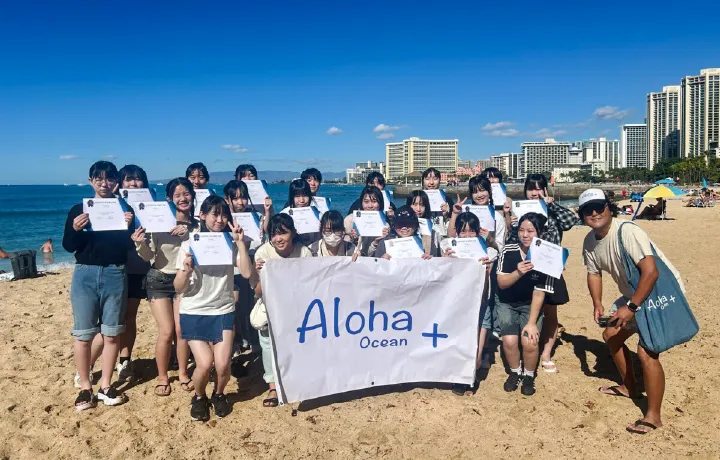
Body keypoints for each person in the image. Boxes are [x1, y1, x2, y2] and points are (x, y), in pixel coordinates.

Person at [580, 188, 685, 434]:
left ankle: (653, 416)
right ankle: (630, 388)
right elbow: (593, 273)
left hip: (658, 291)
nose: (594, 213)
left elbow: (651, 272)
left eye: (599, 207)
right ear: (582, 215)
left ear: (609, 207)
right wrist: (597, 303)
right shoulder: (589, 241)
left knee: (647, 351)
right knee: (611, 335)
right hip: (633, 294)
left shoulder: (627, 231)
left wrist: (631, 308)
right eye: (587, 210)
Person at [62, 161, 133, 410]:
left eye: (110, 179)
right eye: (99, 179)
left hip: (115, 272)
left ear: (116, 182)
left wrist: (128, 227)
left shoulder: (125, 209)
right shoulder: (78, 209)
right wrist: (75, 229)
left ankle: (105, 385)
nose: (105, 184)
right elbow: (68, 246)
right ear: (91, 181)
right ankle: (85, 387)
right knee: (83, 334)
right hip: (85, 273)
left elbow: (128, 246)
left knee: (112, 333)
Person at [174, 195, 253, 421]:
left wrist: (240, 243)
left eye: (224, 215)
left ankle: (219, 394)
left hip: (222, 309)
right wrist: (186, 271)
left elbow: (247, 273)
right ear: (202, 215)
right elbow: (178, 287)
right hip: (194, 310)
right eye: (214, 214)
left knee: (223, 364)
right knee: (204, 363)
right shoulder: (189, 244)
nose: (220, 219)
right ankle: (199, 397)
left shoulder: (230, 244)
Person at [133, 177, 199, 396]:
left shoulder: (199, 224)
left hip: (185, 281)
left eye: (186, 193)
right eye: (177, 195)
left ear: (193, 196)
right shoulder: (159, 223)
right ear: (169, 199)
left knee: (182, 330)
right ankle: (162, 377)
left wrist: (188, 233)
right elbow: (148, 256)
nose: (182, 198)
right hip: (159, 279)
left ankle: (182, 373)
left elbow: (204, 249)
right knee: (166, 331)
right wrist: (139, 243)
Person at [508, 173, 574, 373]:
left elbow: (571, 221)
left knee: (550, 312)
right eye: (531, 188)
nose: (535, 192)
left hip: (550, 269)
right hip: (526, 269)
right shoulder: (520, 213)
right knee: (528, 309)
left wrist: (551, 205)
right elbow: (512, 242)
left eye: (539, 188)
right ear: (525, 191)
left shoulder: (551, 211)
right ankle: (528, 347)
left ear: (545, 189)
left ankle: (546, 353)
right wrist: (510, 223)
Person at [250, 214, 313, 407]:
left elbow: (310, 285)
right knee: (268, 343)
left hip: (296, 306)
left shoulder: (304, 252)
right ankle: (272, 386)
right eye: (274, 235)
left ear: (292, 233)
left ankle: (297, 380)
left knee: (297, 343)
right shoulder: (263, 252)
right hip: (270, 304)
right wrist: (259, 274)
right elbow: (257, 292)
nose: (278, 239)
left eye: (283, 233)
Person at [495, 212, 555, 397]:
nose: (525, 235)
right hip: (507, 302)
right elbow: (501, 283)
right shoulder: (509, 250)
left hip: (531, 304)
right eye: (521, 230)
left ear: (540, 233)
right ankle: (515, 372)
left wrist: (531, 323)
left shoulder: (547, 255)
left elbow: (539, 292)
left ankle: (529, 375)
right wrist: (518, 272)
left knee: (529, 341)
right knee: (509, 340)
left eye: (530, 231)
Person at [443, 212, 493, 395]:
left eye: (472, 231)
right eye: (463, 231)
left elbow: (487, 286)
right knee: (459, 340)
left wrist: (487, 270)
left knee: (477, 342)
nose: (467, 236)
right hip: (458, 302)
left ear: (478, 232)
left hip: (480, 302)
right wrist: (446, 262)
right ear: (456, 232)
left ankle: (472, 374)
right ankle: (460, 376)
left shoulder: (488, 252)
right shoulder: (449, 249)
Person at [223, 179, 271, 352]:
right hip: (229, 269)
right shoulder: (223, 219)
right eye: (235, 198)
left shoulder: (254, 216)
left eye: (243, 197)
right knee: (234, 307)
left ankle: (251, 339)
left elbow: (264, 233)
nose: (240, 202)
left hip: (248, 266)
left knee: (249, 304)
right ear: (227, 199)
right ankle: (236, 341)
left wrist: (267, 211)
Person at [115, 164, 152, 382]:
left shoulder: (152, 202)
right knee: (115, 316)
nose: (133, 183)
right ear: (120, 183)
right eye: (128, 179)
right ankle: (95, 362)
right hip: (119, 264)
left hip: (142, 264)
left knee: (130, 315)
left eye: (138, 179)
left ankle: (124, 359)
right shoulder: (112, 204)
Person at [344, 185, 390, 256]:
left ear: (380, 203)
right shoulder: (350, 220)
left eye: (374, 201)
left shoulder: (385, 226)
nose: (370, 206)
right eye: (366, 201)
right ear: (361, 202)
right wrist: (353, 239)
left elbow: (374, 255)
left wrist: (377, 242)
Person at [285, 178, 322, 246]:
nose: (302, 200)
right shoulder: (284, 215)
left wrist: (323, 229)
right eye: (297, 196)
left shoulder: (319, 215)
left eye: (305, 195)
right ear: (292, 197)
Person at [406, 190, 438, 256]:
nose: (418, 209)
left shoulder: (431, 229)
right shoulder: (400, 227)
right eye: (415, 204)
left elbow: (435, 255)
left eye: (422, 205)